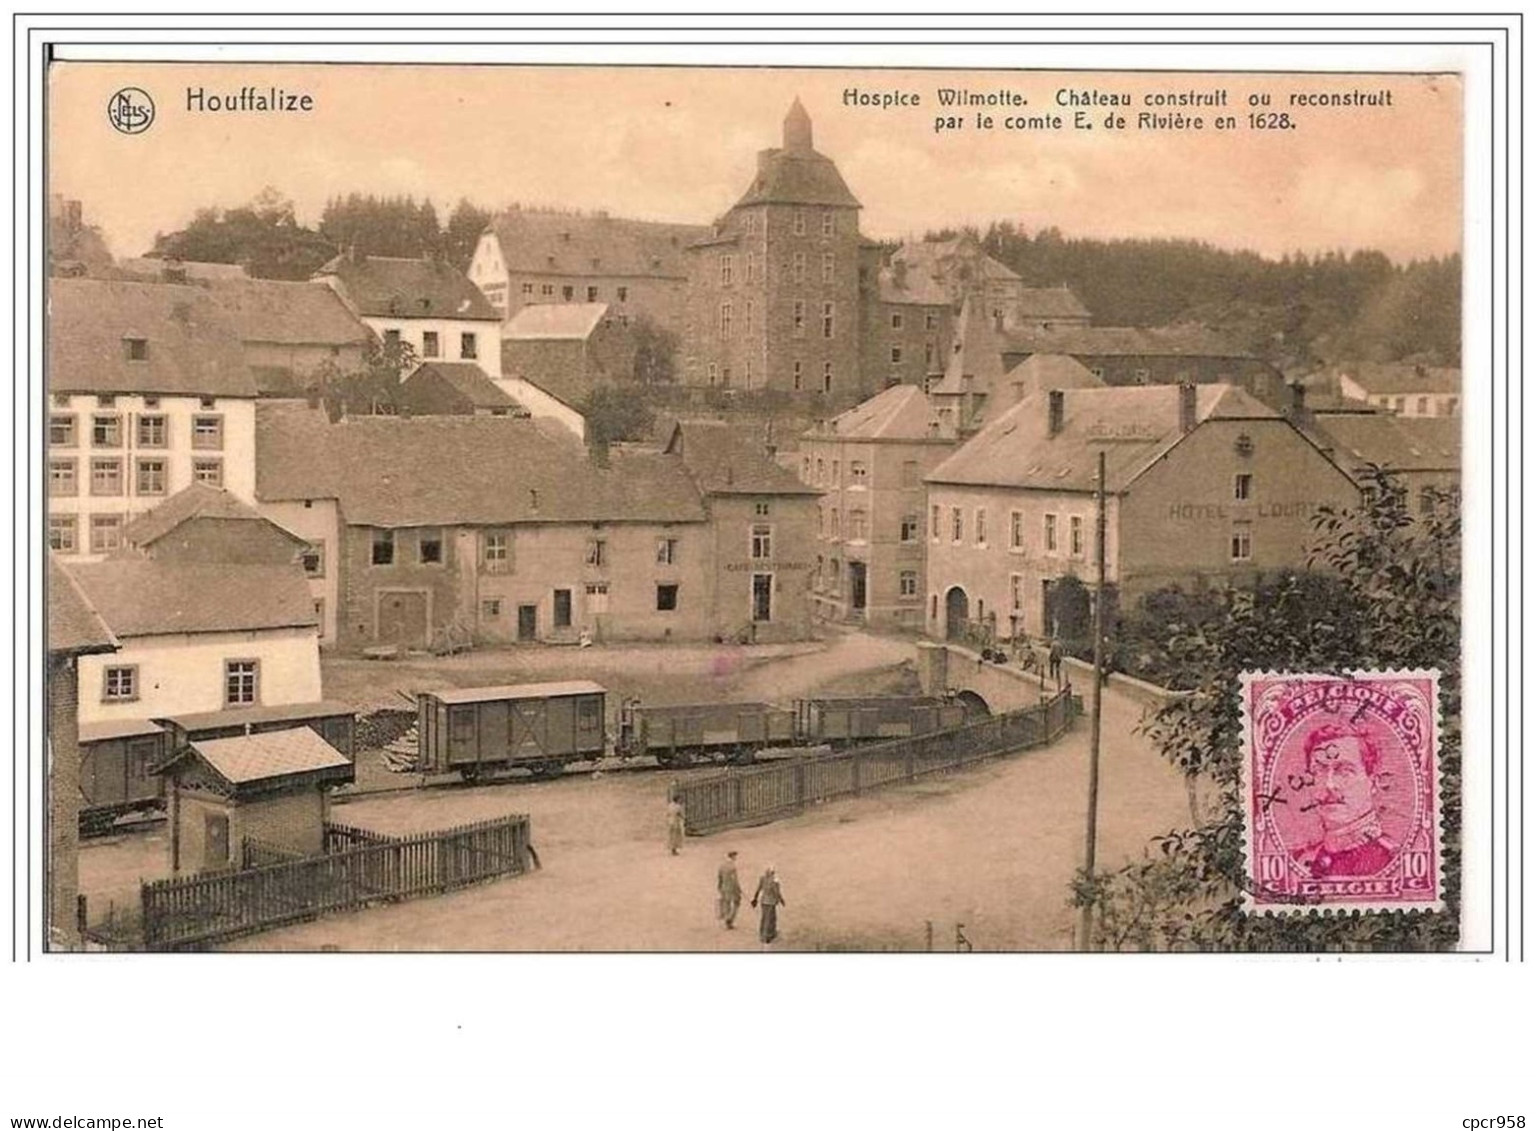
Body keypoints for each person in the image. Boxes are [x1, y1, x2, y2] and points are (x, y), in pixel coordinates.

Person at [1289, 722, 1396, 878]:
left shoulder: (1395, 859)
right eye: (1319, 771)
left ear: (1373, 782)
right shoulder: (1298, 862)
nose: (1329, 785)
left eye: (1344, 771)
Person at [751, 865, 786, 945]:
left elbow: (758, 889)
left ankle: (763, 934)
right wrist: (781, 900)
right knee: (771, 919)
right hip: (771, 902)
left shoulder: (762, 879)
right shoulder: (774, 881)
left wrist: (755, 898)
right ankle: (768, 935)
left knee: (764, 918)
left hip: (763, 902)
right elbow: (777, 892)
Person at [717, 850, 742, 929]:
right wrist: (739, 888)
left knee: (726, 903)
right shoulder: (732, 867)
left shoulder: (722, 865)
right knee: (737, 903)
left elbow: (719, 877)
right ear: (733, 856)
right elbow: (734, 880)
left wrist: (719, 886)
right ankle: (730, 919)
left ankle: (727, 918)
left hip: (724, 887)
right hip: (732, 888)